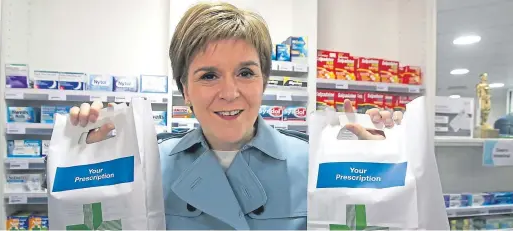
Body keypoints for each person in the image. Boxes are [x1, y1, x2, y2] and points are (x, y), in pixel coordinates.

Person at [67, 2, 403, 230]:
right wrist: (92, 159)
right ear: (184, 89)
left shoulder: (318, 160)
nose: (230, 92)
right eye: (209, 76)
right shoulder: (146, 165)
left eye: (245, 72)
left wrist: (378, 167)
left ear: (264, 81)